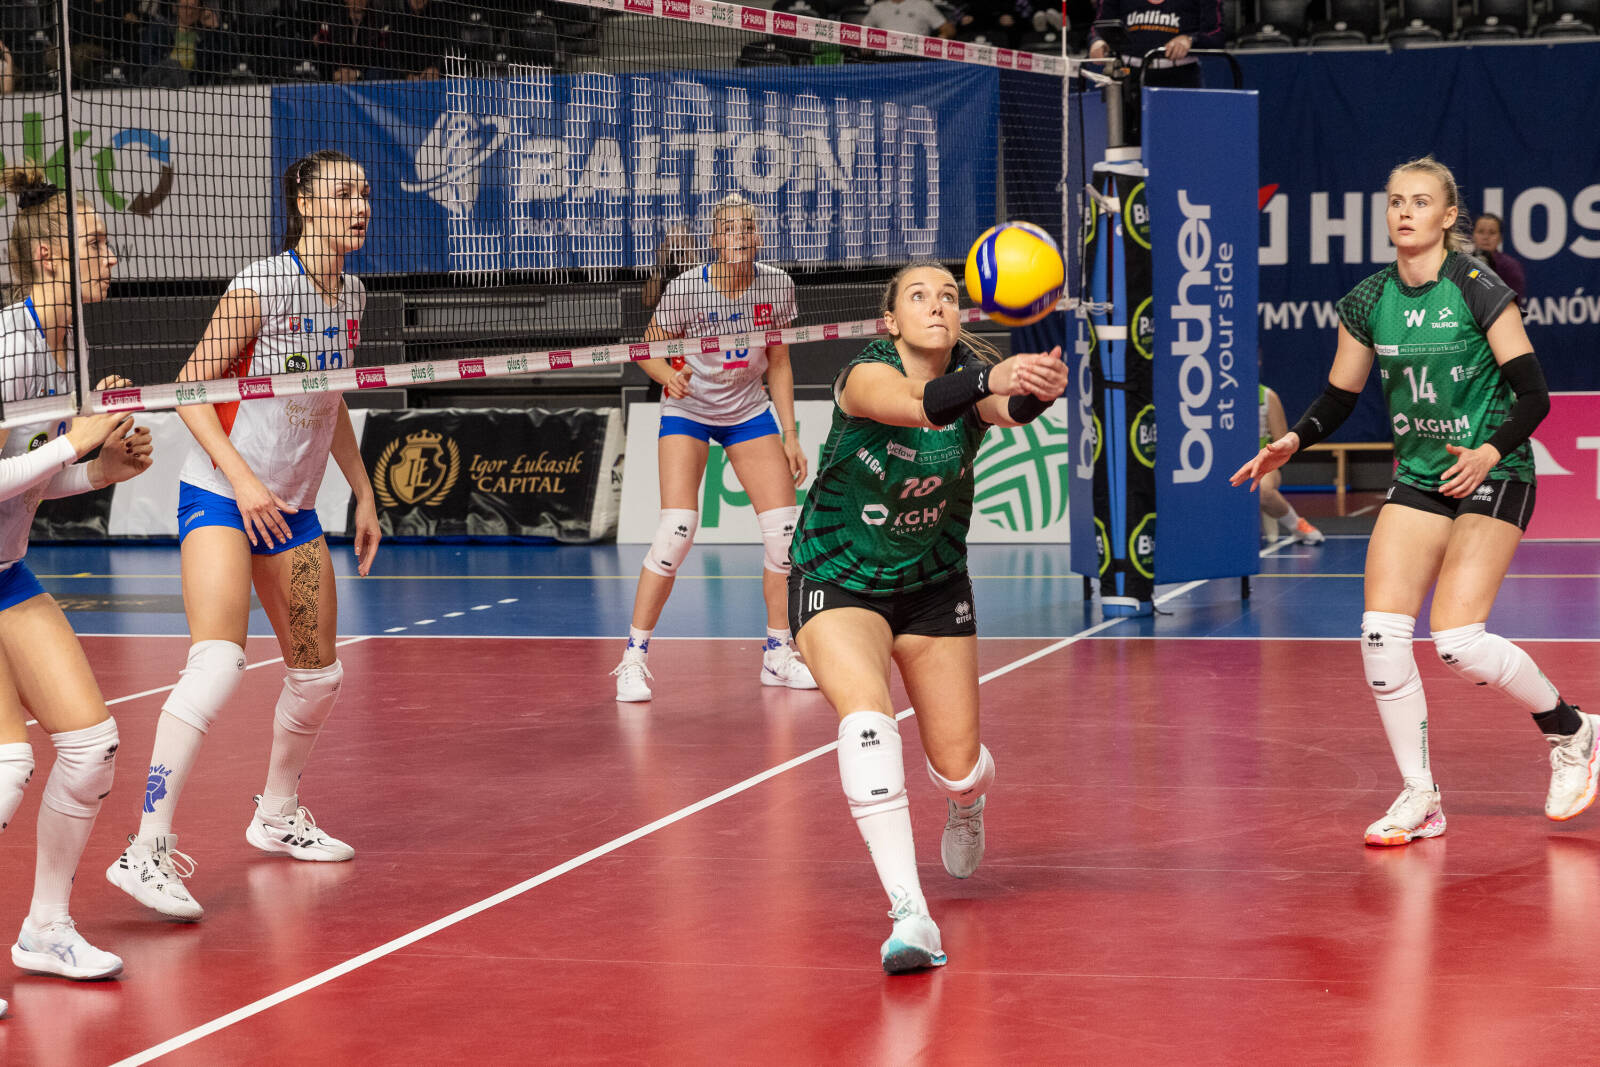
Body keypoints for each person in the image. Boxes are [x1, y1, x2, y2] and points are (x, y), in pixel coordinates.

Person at [1232, 156, 1591, 847]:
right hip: (1422, 476)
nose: (1404, 211)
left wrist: (1488, 451)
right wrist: (1295, 439)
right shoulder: (1368, 301)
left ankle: (1572, 731)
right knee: (1380, 634)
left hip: (1494, 471)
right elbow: (1339, 396)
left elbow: (1534, 394)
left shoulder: (1479, 289)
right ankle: (1420, 795)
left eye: (1421, 202)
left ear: (1448, 216)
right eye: (1396, 200)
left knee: (1457, 642)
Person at [107, 150, 382, 920]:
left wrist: (363, 490)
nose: (360, 205)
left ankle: (277, 813)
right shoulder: (259, 286)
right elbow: (190, 389)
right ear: (304, 203)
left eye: (365, 193)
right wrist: (245, 481)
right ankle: (145, 846)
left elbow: (327, 398)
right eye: (343, 193)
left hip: (292, 508)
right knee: (218, 660)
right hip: (223, 495)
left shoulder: (353, 293)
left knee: (319, 677)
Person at [789, 262, 1068, 973]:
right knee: (867, 720)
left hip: (933, 586)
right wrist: (990, 379)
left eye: (948, 295)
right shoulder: (864, 376)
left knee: (958, 769)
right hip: (837, 578)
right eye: (918, 296)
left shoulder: (973, 383)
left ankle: (967, 801)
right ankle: (911, 913)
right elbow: (919, 405)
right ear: (891, 320)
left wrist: (1036, 389)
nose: (937, 304)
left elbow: (1001, 409)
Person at [0, 165, 155, 1008]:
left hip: (7, 573)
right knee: (5, 770)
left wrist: (99, 469)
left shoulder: (69, 350)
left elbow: (26, 482)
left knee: (90, 746)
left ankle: (46, 928)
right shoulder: (9, 346)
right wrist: (75, 444)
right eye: (96, 243)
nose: (112, 256)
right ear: (50, 256)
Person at [613, 196, 815, 701]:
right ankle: (633, 658)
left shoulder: (777, 285)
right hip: (689, 410)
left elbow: (779, 362)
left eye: (747, 228)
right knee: (676, 531)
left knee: (784, 534)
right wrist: (667, 376)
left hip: (748, 411)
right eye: (728, 229)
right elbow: (647, 348)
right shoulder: (686, 289)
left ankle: (777, 653)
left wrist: (790, 434)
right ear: (714, 240)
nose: (738, 236)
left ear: (758, 237)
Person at [1087, 0, 1223, 88]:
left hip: (1181, 77)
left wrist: (1190, 40)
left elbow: (1216, 34)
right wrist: (1097, 41)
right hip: (1127, 75)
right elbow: (1099, 25)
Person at [1257, 382, 1324, 544]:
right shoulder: (1221, 397)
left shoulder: (1267, 396)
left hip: (1264, 464)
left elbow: (1281, 442)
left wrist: (1263, 462)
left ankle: (1297, 526)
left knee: (1263, 490)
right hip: (1229, 464)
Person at [1472, 213, 1527, 309]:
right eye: (1480, 232)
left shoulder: (1510, 267)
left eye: (1492, 233)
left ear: (1500, 238)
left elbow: (1514, 303)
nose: (1486, 237)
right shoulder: (1463, 262)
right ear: (1473, 235)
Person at [861, 0, 957, 37]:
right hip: (882, 61)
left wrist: (943, 37)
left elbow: (949, 30)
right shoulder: (877, 7)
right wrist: (866, 41)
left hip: (917, 62)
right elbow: (862, 30)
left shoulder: (924, 5)